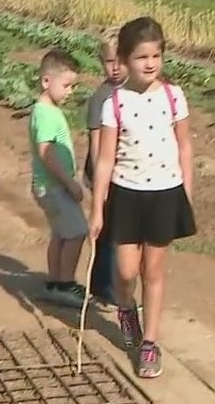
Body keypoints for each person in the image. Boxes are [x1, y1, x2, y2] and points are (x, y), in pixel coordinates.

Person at [90, 16, 196, 379]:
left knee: (153, 271)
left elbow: (184, 147)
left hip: (164, 193)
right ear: (123, 59)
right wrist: (97, 208)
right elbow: (104, 160)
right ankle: (125, 308)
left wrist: (186, 193)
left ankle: (149, 343)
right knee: (124, 271)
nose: (150, 63)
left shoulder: (173, 96)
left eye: (156, 56)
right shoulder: (114, 103)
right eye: (141, 57)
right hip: (127, 194)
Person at [30, 48, 89, 308]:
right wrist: (70, 183)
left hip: (48, 187)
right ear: (46, 81)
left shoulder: (46, 110)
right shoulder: (45, 114)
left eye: (73, 87)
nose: (70, 92)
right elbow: (46, 152)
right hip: (55, 186)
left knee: (60, 235)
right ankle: (66, 285)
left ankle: (54, 281)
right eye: (66, 85)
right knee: (77, 232)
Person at [83, 28, 125, 310]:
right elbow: (96, 143)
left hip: (123, 173)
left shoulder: (130, 92)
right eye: (109, 62)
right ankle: (104, 287)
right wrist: (102, 181)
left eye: (120, 60)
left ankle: (104, 285)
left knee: (117, 231)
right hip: (104, 174)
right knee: (108, 232)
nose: (116, 67)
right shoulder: (102, 97)